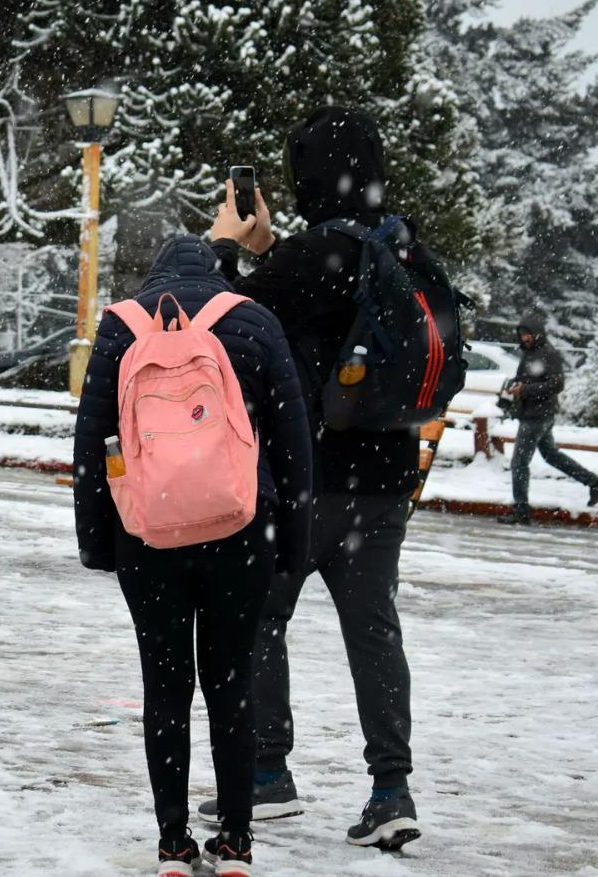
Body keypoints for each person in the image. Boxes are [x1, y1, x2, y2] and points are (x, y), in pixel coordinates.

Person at [202, 106, 430, 850]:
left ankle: (268, 775)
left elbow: (220, 323)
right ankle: (391, 790)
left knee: (262, 619)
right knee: (374, 632)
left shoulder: (307, 260)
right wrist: (273, 251)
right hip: (387, 479)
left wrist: (229, 247)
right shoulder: (404, 248)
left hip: (305, 478)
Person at [75, 235, 312, 877]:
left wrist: (99, 542)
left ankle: (174, 844)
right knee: (232, 685)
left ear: (156, 275)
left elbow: (94, 440)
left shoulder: (122, 324)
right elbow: (292, 441)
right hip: (240, 530)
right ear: (221, 272)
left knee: (166, 687)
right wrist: (291, 541)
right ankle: (235, 840)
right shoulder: (254, 320)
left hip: (147, 537)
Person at [496, 310, 598, 524]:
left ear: (537, 333)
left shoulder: (547, 353)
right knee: (551, 455)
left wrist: (525, 390)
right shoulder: (530, 352)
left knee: (519, 462)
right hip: (535, 413)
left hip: (537, 415)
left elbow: (556, 384)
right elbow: (526, 378)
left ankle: (521, 510)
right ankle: (593, 482)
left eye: (528, 334)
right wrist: (512, 386)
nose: (524, 338)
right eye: (522, 334)